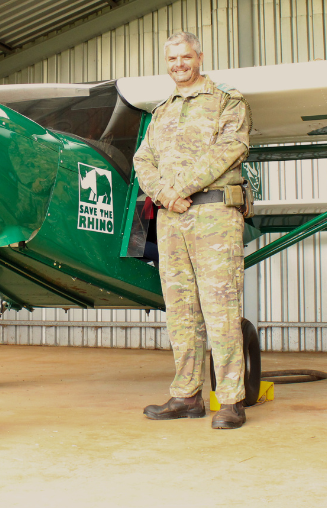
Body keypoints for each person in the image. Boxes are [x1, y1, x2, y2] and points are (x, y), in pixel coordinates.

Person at [133, 31, 251, 429]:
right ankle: (187, 396)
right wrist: (164, 194)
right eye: (171, 59)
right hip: (170, 220)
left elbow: (231, 148)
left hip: (213, 215)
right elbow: (142, 159)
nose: (178, 64)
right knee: (181, 311)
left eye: (185, 56)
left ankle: (232, 400)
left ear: (199, 56)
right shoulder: (161, 110)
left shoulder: (226, 100)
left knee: (221, 309)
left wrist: (179, 189)